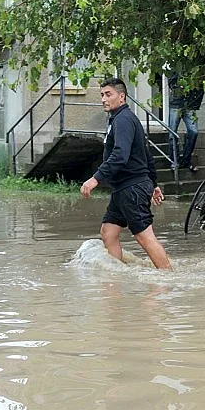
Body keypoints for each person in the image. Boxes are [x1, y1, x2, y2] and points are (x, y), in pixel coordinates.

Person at [81, 77, 172, 270]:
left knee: (143, 236)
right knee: (108, 232)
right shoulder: (121, 119)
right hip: (124, 188)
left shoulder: (123, 120)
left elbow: (120, 155)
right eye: (102, 95)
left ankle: (168, 278)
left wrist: (95, 178)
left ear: (121, 97)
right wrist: (154, 184)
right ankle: (116, 279)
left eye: (108, 94)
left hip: (132, 188)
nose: (103, 99)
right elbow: (146, 153)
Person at [168, 78, 203, 172]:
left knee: (193, 132)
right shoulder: (177, 67)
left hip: (189, 105)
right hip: (176, 104)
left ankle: (186, 160)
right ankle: (174, 161)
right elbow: (171, 81)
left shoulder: (195, 69)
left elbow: (200, 87)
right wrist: (179, 86)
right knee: (172, 133)